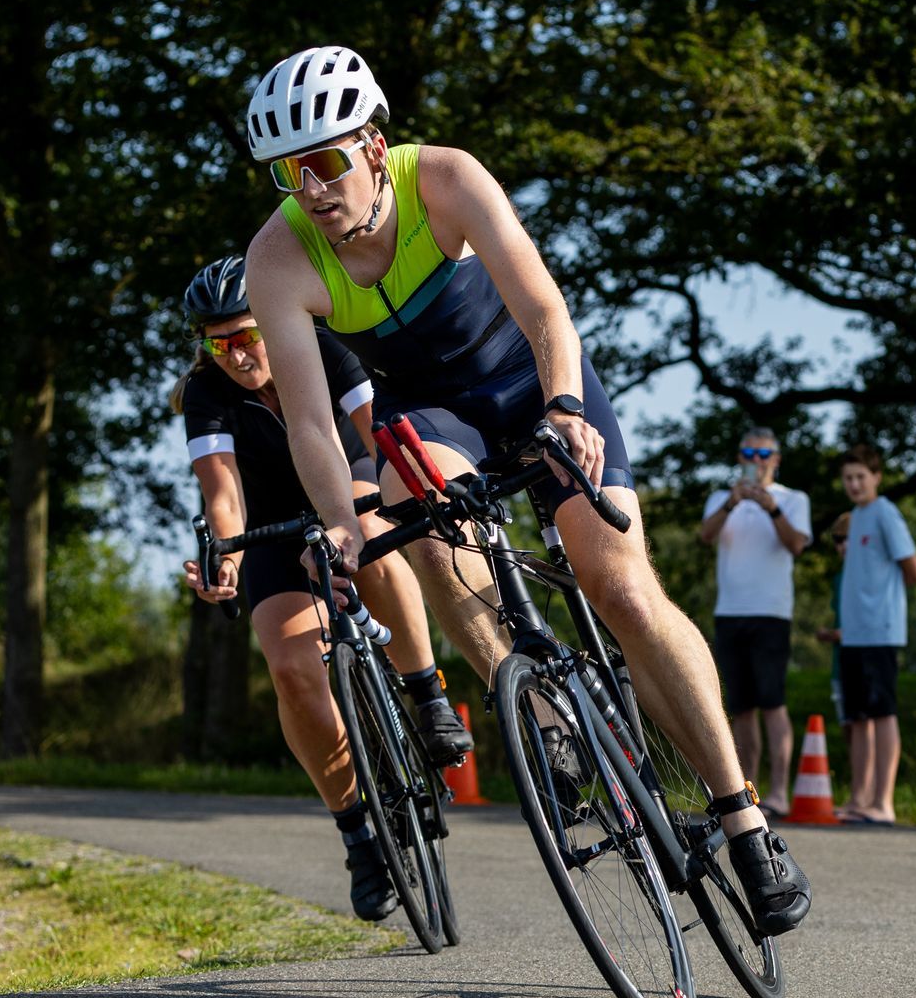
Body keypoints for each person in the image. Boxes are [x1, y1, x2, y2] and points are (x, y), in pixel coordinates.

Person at [238, 46, 808, 932]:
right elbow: (312, 423)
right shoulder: (277, 257)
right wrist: (340, 519)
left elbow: (544, 307)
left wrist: (567, 406)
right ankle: (536, 707)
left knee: (620, 587)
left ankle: (744, 818)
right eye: (286, 172)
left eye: (323, 162)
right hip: (436, 415)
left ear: (374, 146)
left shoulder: (446, 179)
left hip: (535, 386)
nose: (308, 188)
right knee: (411, 509)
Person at [175, 255, 472, 920]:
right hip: (274, 530)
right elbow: (224, 494)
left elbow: (376, 435)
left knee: (367, 530)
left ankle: (428, 696)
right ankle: (360, 837)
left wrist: (408, 498)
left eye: (247, 335)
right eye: (217, 342)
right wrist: (222, 561)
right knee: (291, 670)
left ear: (272, 323)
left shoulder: (324, 348)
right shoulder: (208, 395)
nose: (236, 354)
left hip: (350, 484)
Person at [698, 427, 812, 818]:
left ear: (776, 460)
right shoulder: (721, 498)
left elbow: (797, 544)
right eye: (749, 453)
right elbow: (705, 535)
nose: (757, 461)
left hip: (771, 613)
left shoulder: (794, 499)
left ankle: (780, 791)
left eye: (765, 454)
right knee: (742, 707)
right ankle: (750, 790)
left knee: (773, 703)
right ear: (739, 457)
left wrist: (771, 508)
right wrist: (732, 503)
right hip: (730, 612)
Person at [835, 446, 916, 825]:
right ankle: (860, 799)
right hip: (852, 634)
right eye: (848, 478)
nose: (854, 484)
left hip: (880, 631)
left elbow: (913, 570)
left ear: (876, 477)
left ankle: (883, 802)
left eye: (860, 477)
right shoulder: (854, 517)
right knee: (857, 718)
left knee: (882, 713)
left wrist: (886, 602)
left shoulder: (886, 512)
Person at [815, 511, 857, 773]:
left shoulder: (868, 577)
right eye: (837, 540)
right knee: (847, 726)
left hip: (862, 660)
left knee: (863, 725)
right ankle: (857, 788)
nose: (842, 546)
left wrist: (839, 634)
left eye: (847, 539)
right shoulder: (839, 579)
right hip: (840, 663)